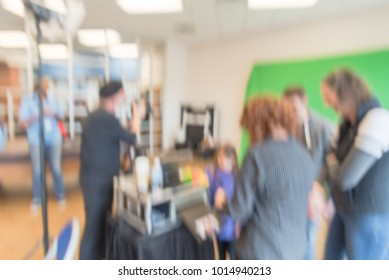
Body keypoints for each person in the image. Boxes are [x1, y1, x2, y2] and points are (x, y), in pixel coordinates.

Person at [216, 96, 315, 259]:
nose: (250, 136)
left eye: (249, 129)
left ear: (258, 124)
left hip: (260, 250)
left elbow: (239, 209)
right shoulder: (303, 154)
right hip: (295, 248)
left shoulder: (256, 155)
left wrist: (221, 204)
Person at [320, 69, 389, 260]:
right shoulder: (345, 126)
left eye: (328, 97)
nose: (327, 104)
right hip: (344, 211)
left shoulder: (377, 119)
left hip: (368, 217)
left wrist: (332, 160)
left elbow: (344, 179)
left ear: (344, 92)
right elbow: (330, 165)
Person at [79, 81, 143, 260]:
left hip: (95, 180)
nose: (124, 99)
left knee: (99, 224)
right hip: (98, 183)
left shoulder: (96, 117)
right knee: (94, 228)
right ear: (113, 98)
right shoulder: (107, 119)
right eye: (122, 96)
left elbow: (113, 138)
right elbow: (132, 136)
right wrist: (137, 113)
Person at [282, 86, 334, 260]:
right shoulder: (288, 131)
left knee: (307, 242)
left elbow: (332, 163)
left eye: (294, 109)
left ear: (304, 102)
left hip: (313, 197)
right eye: (287, 110)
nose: (291, 114)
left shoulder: (323, 128)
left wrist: (318, 186)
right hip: (290, 198)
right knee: (292, 242)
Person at [19, 79, 66, 213]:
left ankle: (61, 195)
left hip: (54, 139)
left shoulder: (53, 100)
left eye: (47, 87)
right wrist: (36, 116)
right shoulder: (27, 101)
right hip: (36, 139)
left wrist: (53, 114)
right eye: (43, 87)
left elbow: (61, 118)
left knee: (56, 168)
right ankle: (37, 199)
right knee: (38, 170)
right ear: (36, 87)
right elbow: (22, 122)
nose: (45, 89)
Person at [206, 144, 239, 260]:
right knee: (220, 256)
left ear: (233, 160)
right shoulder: (212, 172)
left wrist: (239, 223)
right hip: (218, 225)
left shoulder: (237, 176)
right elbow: (206, 197)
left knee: (234, 256)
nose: (222, 161)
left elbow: (241, 202)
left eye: (226, 158)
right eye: (220, 157)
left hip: (232, 226)